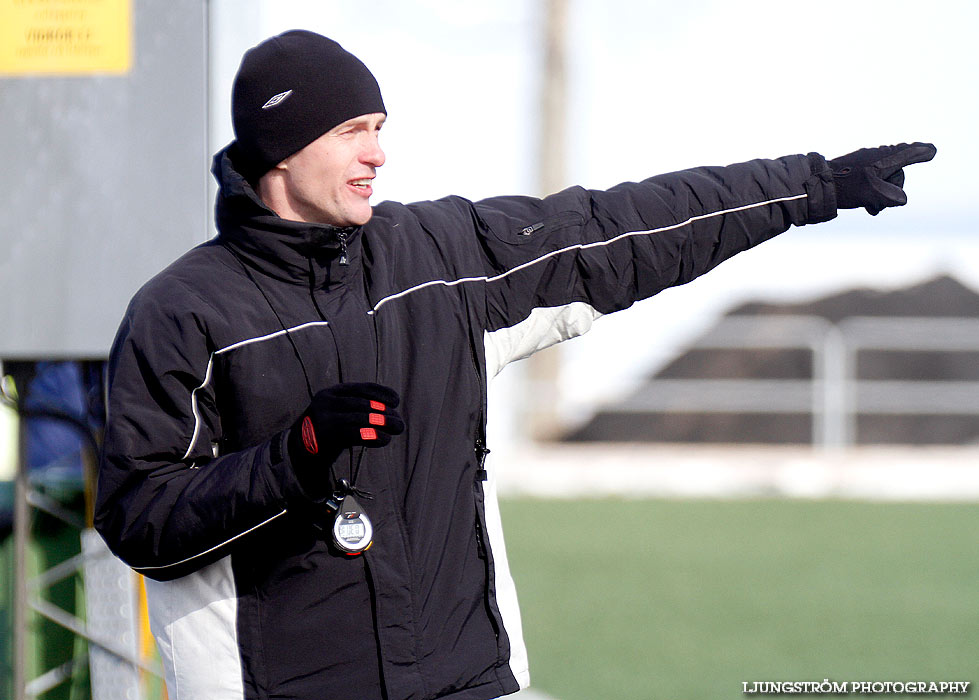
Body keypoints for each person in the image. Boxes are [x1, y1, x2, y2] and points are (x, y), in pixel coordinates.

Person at [94, 29, 936, 700]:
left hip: (465, 681)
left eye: (379, 130)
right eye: (352, 131)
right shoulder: (180, 313)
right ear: (281, 147)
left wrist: (809, 187)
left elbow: (621, 226)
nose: (378, 154)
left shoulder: (439, 255)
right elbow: (141, 522)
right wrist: (297, 455)